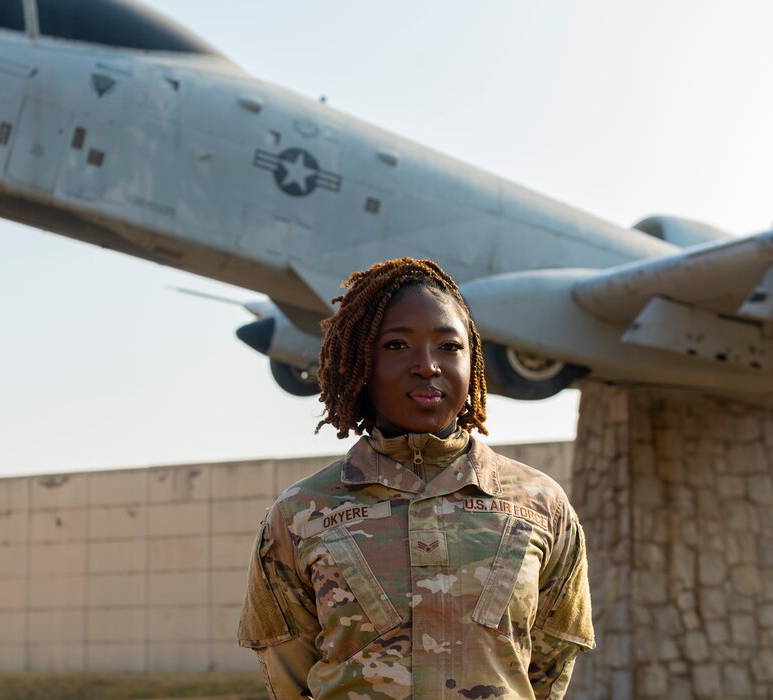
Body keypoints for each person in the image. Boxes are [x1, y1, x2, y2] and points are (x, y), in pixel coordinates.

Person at [238, 258, 594, 700]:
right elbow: (289, 678)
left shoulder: (542, 507)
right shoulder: (298, 515)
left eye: (449, 346)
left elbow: (547, 667)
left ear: (473, 358)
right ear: (359, 362)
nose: (427, 365)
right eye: (396, 345)